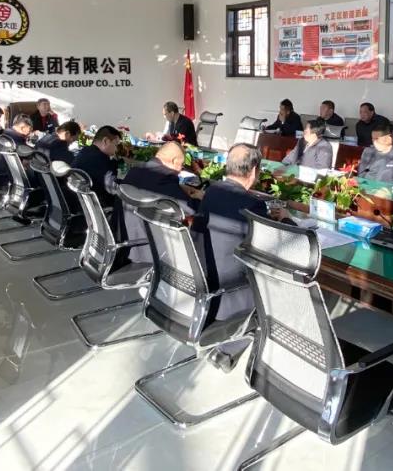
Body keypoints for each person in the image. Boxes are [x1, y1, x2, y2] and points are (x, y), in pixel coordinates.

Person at [190, 143, 293, 371]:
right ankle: (234, 349)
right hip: (234, 289)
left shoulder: (212, 191)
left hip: (205, 276)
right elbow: (279, 247)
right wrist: (286, 219)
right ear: (254, 171)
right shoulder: (252, 204)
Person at [121, 141, 201, 210]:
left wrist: (179, 187)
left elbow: (152, 183)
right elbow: (192, 210)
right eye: (181, 165)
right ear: (174, 161)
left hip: (123, 221)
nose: (180, 171)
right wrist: (201, 197)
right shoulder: (167, 183)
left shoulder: (133, 172)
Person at [72, 125, 121, 208]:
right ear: (105, 141)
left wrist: (113, 161)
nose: (116, 150)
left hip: (78, 200)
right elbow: (113, 188)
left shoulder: (86, 151)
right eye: (116, 145)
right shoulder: (99, 159)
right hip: (94, 206)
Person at [0, 113, 34, 187]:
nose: (30, 132)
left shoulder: (7, 134)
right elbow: (28, 154)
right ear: (22, 127)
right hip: (10, 179)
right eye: (30, 129)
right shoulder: (15, 140)